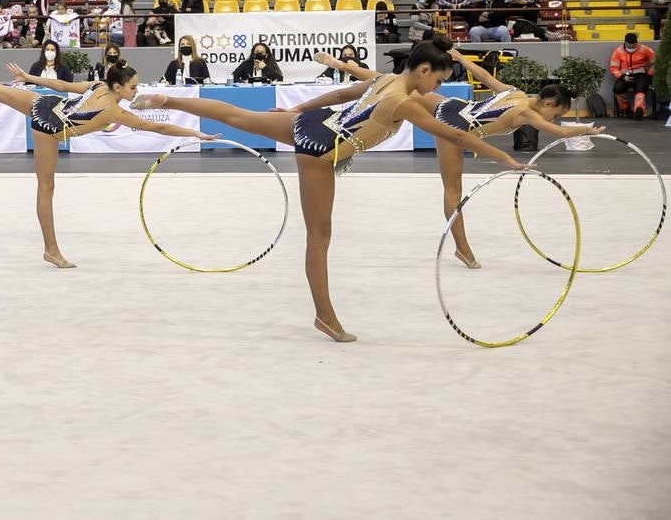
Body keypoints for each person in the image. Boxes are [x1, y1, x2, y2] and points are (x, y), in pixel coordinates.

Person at [131, 34, 529, 342]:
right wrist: (505, 159)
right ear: (423, 70)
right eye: (438, 78)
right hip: (322, 149)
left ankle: (169, 99)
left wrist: (295, 111)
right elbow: (453, 135)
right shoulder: (404, 103)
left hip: (314, 122)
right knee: (319, 236)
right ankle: (325, 315)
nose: (436, 87)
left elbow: (340, 94)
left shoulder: (387, 80)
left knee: (240, 115)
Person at [0, 58, 213, 267]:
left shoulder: (100, 86)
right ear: (119, 88)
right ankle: (51, 250)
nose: (137, 91)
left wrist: (29, 79)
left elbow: (63, 87)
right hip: (49, 127)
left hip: (45, 104)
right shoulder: (113, 111)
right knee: (45, 187)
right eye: (134, 87)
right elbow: (158, 128)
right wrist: (195, 132)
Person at [319, 49, 601, 267]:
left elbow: (484, 77)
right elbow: (554, 131)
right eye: (558, 112)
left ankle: (344, 65)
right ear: (549, 103)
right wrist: (588, 128)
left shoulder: (515, 93)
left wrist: (461, 58)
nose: (556, 117)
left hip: (453, 107)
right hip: (455, 127)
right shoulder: (526, 112)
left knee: (391, 82)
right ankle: (462, 249)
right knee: (453, 189)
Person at [609, 32, 656, 119]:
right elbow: (613, 68)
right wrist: (623, 77)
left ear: (636, 42)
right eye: (630, 46)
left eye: (634, 46)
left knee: (641, 89)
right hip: (625, 76)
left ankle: (639, 110)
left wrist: (649, 74)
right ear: (625, 43)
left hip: (641, 75)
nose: (632, 48)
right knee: (617, 89)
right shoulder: (618, 51)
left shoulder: (645, 49)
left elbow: (656, 63)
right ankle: (626, 109)